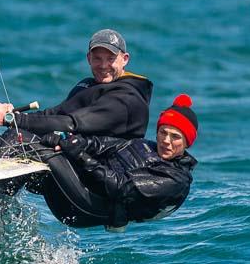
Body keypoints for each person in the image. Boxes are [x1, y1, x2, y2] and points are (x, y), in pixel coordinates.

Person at [40, 94, 198, 232]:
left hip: (87, 207)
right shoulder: (142, 145)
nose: (166, 141)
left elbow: (120, 186)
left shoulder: (176, 180)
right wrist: (67, 141)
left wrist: (79, 155)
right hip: (79, 183)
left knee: (45, 153)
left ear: (186, 143)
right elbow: (99, 144)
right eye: (163, 132)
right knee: (40, 145)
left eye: (175, 137)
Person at [0, 29, 153, 139]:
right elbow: (53, 115)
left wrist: (11, 119)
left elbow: (71, 123)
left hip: (101, 177)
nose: (103, 66)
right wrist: (14, 114)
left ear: (125, 59)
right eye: (97, 58)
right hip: (73, 158)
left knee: (15, 139)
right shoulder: (87, 85)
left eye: (110, 59)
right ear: (88, 58)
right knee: (3, 138)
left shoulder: (127, 98)